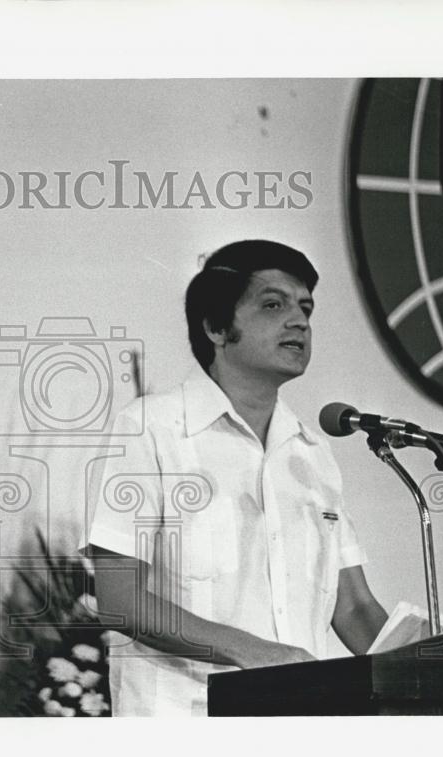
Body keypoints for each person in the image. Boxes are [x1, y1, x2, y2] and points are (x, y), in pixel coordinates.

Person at [85, 239, 388, 716]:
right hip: (184, 731)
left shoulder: (312, 454)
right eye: (273, 304)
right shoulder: (153, 429)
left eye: (306, 308)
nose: (299, 321)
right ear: (217, 328)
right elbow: (120, 599)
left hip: (299, 731)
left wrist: (430, 666)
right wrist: (257, 653)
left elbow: (352, 608)